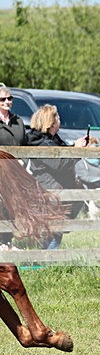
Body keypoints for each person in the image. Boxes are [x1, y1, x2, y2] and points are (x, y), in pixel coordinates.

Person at [25, 104, 95, 249]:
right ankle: (47, 259)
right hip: (50, 188)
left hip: (56, 187)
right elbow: (60, 164)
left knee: (58, 223)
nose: (59, 119)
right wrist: (77, 151)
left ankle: (49, 257)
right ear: (51, 122)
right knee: (55, 224)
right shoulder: (42, 142)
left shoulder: (50, 139)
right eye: (57, 117)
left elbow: (60, 157)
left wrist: (75, 147)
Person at [0, 83, 28, 250]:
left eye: (9, 98)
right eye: (2, 99)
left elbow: (25, 142)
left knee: (12, 204)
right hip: (0, 168)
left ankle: (7, 241)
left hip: (15, 170)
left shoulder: (18, 120)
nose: (7, 102)